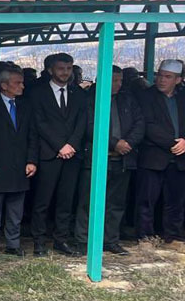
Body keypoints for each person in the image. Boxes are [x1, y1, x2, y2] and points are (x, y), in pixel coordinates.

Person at [75, 66, 142, 256]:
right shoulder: (90, 100)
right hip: (95, 158)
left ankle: (110, 240)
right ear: (102, 81)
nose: (118, 85)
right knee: (88, 201)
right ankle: (83, 240)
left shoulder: (127, 99)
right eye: (114, 81)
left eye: (120, 81)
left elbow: (140, 123)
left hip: (122, 160)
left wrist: (128, 142)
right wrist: (114, 143)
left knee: (116, 203)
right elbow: (89, 127)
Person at [25, 52, 87, 256]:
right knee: (43, 201)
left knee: (66, 200)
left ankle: (61, 240)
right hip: (49, 154)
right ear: (51, 70)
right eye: (61, 68)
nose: (65, 73)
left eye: (69, 69)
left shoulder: (78, 92)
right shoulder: (38, 93)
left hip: (72, 154)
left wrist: (71, 145)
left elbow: (81, 122)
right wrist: (60, 145)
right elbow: (39, 123)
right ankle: (39, 242)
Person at [0, 66, 38, 257]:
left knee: (15, 211)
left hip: (20, 166)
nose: (22, 86)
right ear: (4, 85)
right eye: (17, 83)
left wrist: (31, 160)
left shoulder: (26, 105)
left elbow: (32, 135)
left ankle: (13, 244)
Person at [135, 59, 185, 244]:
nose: (162, 80)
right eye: (160, 75)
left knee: (176, 201)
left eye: (168, 77)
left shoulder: (183, 97)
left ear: (178, 80)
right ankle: (145, 236)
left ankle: (173, 235)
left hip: (180, 158)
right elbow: (148, 125)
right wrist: (173, 144)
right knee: (146, 200)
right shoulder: (146, 97)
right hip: (153, 156)